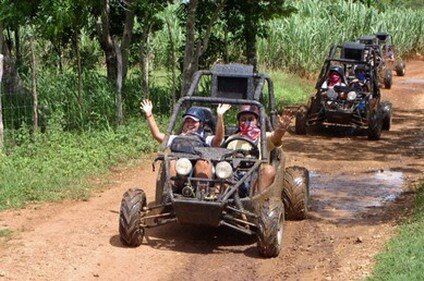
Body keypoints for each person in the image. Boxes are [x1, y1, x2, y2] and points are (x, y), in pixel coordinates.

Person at [140, 99, 231, 182]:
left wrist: (220, 116)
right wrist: (149, 115)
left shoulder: (206, 138)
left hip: (201, 170)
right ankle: (171, 191)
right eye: (187, 121)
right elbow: (157, 135)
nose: (190, 124)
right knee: (172, 163)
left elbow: (218, 139)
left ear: (201, 124)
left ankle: (202, 192)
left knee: (202, 164)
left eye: (194, 121)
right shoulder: (176, 138)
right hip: (181, 167)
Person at [224, 105, 293, 195]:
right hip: (235, 176)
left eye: (250, 119)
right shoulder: (232, 139)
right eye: (243, 119)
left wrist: (281, 128)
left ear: (257, 121)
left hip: (257, 176)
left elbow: (276, 136)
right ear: (239, 122)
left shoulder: (263, 137)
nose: (247, 122)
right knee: (222, 168)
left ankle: (258, 203)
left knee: (268, 170)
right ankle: (219, 200)